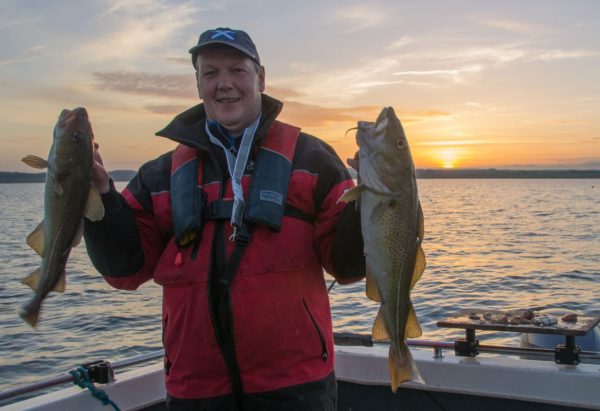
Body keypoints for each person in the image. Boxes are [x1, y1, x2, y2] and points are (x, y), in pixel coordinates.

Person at [84, 27, 365, 411]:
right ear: (198, 83)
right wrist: (100, 196)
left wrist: (373, 199)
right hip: (196, 389)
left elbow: (348, 265)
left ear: (261, 78)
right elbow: (123, 270)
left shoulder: (312, 159)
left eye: (237, 70)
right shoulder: (160, 174)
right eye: (211, 73)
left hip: (296, 385)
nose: (225, 84)